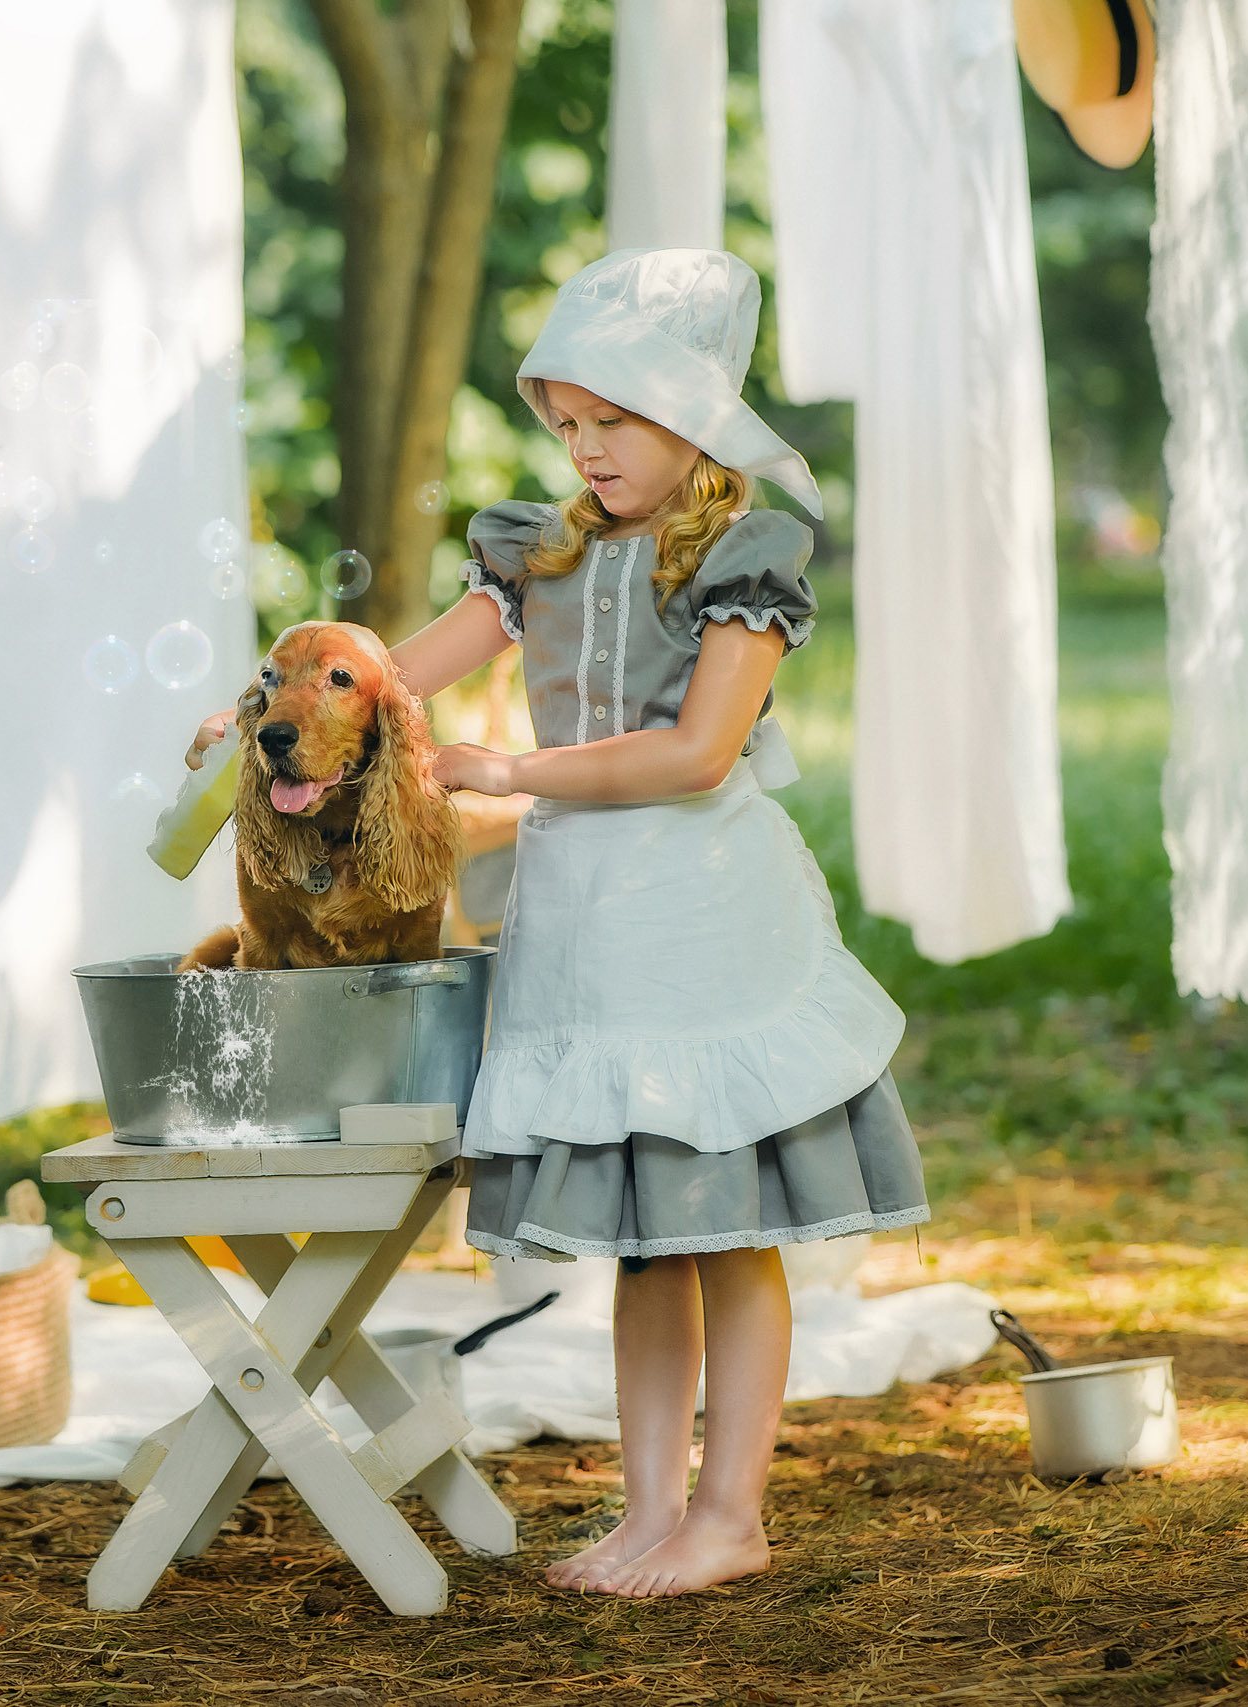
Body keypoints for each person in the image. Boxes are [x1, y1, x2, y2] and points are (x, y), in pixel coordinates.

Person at [187, 249, 926, 1597]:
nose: (584, 452)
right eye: (568, 424)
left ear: (691, 417)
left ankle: (733, 1515)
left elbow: (702, 752)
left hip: (701, 919)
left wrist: (509, 773)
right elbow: (394, 672)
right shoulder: (541, 548)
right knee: (647, 1239)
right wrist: (288, 703)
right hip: (585, 921)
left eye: (614, 422)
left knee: (725, 1227)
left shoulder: (744, 556)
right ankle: (654, 1514)